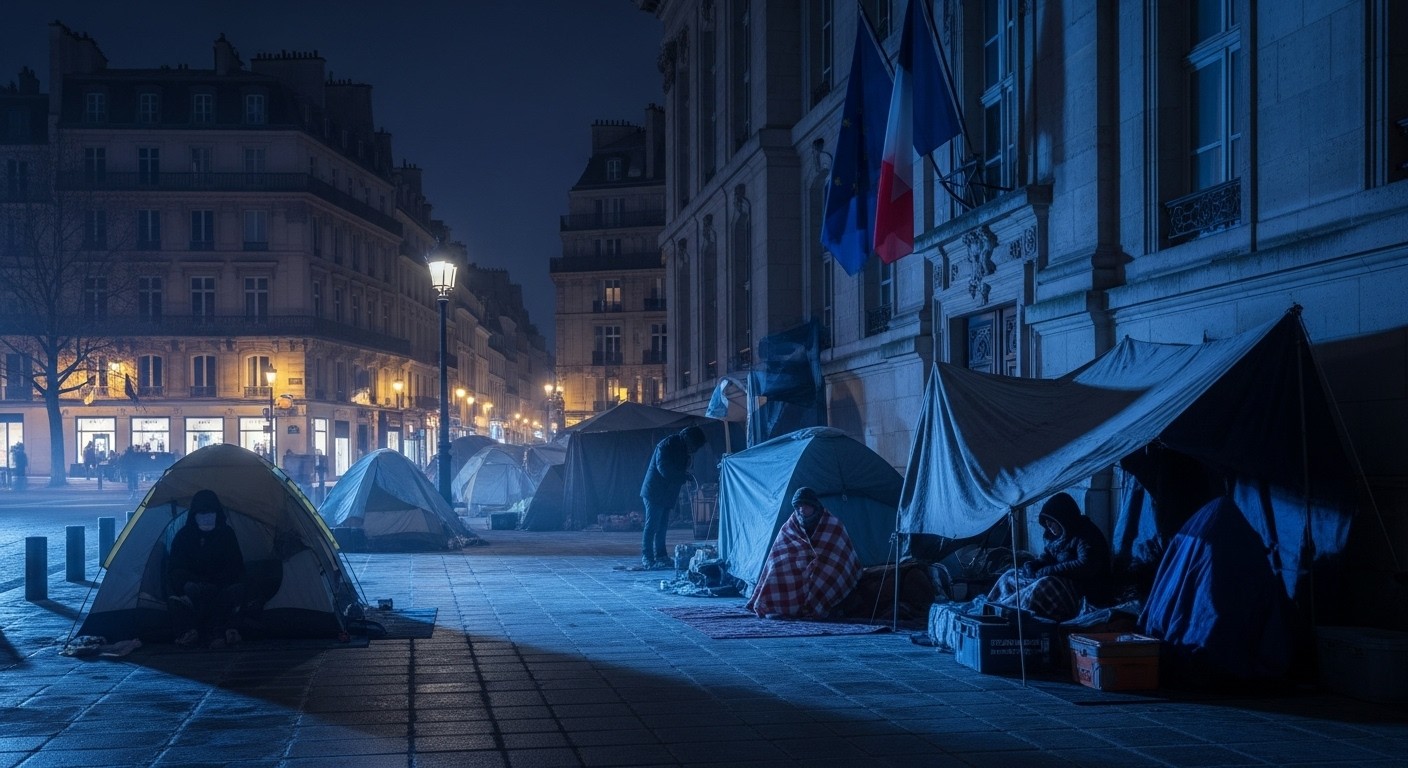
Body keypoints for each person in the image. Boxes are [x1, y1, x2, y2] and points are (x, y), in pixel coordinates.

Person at [987, 492, 1112, 621]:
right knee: (1010, 575)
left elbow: (1085, 565)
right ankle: (992, 608)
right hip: (1057, 578)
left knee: (1044, 585)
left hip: (1082, 589)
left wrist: (1049, 571)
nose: (1049, 527)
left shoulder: (1085, 533)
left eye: (1051, 523)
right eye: (1047, 524)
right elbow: (1047, 556)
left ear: (1062, 519)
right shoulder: (1056, 537)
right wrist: (1033, 565)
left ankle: (1012, 615)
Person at [746, 487, 862, 619]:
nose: (802, 510)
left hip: (824, 560)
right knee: (777, 566)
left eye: (805, 506)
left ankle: (816, 609)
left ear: (814, 506)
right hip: (799, 560)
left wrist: (816, 560)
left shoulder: (832, 523)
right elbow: (781, 546)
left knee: (822, 574)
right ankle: (776, 607)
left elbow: (839, 552)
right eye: (799, 507)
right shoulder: (793, 522)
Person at [167, 489, 246, 648]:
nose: (206, 516)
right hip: (193, 590)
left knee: (237, 591)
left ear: (217, 513)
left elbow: (236, 566)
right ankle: (198, 631)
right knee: (176, 601)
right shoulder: (184, 536)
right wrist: (190, 584)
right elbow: (175, 568)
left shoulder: (226, 535)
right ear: (194, 514)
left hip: (221, 589)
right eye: (202, 512)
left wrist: (216, 583)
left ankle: (218, 630)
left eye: (210, 512)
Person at [638, 425, 706, 568]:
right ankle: (648, 558)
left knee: (662, 526)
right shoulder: (666, 446)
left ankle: (661, 556)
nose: (694, 450)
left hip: (666, 493)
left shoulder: (683, 450)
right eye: (694, 446)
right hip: (654, 492)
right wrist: (682, 476)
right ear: (687, 439)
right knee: (652, 526)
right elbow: (664, 470)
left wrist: (684, 475)